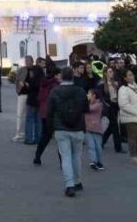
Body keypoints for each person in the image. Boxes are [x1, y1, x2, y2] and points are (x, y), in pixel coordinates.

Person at [46, 67, 88, 196]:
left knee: (66, 157)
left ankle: (69, 185)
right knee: (77, 156)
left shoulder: (55, 92)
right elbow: (86, 108)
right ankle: (78, 181)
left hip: (61, 128)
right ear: (72, 77)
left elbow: (50, 112)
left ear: (62, 77)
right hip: (78, 127)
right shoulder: (80, 91)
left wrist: (50, 128)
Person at [118, 69, 137, 166]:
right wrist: (136, 111)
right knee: (133, 136)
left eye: (132, 74)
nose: (132, 76)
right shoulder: (123, 89)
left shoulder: (136, 87)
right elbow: (123, 104)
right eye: (129, 75)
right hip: (130, 117)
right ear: (125, 78)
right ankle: (133, 156)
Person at [33, 64, 60, 165]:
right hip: (53, 113)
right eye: (60, 75)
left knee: (46, 136)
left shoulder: (45, 83)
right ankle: (63, 161)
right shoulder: (55, 85)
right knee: (59, 137)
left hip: (44, 113)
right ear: (56, 75)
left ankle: (37, 156)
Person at [99, 66, 124, 153]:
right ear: (105, 73)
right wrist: (106, 103)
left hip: (115, 105)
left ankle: (101, 141)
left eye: (112, 71)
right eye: (109, 72)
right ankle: (118, 147)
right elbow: (100, 96)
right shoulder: (102, 84)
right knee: (115, 126)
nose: (111, 73)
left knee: (111, 127)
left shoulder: (115, 83)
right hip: (108, 106)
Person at [84, 87, 106, 172]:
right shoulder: (89, 103)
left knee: (98, 146)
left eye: (89, 93)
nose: (87, 95)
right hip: (88, 128)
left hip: (96, 128)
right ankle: (93, 161)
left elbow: (89, 109)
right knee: (91, 146)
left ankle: (99, 162)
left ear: (94, 95)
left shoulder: (99, 104)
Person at [23, 59, 44, 146]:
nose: (44, 64)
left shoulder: (33, 71)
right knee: (38, 120)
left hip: (32, 98)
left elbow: (31, 84)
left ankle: (29, 138)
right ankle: (38, 138)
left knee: (29, 119)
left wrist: (27, 85)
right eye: (43, 63)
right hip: (39, 99)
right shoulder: (42, 73)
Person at [13, 56, 32, 142]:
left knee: (29, 115)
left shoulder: (34, 70)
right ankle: (18, 133)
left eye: (29, 61)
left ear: (32, 61)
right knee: (19, 114)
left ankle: (27, 133)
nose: (27, 62)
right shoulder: (22, 69)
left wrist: (29, 84)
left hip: (32, 95)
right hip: (22, 94)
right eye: (26, 61)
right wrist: (18, 88)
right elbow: (16, 79)